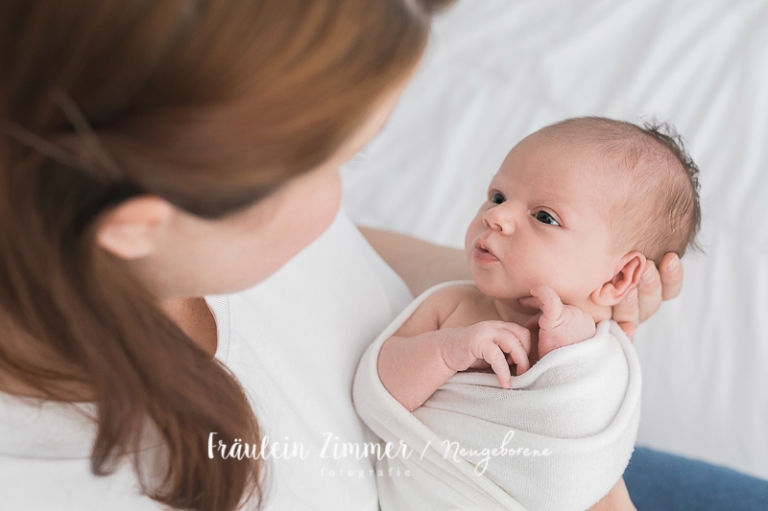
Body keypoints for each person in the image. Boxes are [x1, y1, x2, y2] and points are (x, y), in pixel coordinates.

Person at [4, 1, 757, 511]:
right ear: (140, 224)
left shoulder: (192, 230)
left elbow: (347, 256)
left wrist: (539, 308)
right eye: (339, 162)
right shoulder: (74, 479)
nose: (491, 219)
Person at [357, 117, 699, 510]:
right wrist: (448, 352)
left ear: (620, 276)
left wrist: (568, 360)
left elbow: (584, 459)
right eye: (498, 196)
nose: (495, 217)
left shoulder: (603, 357)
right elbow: (377, 391)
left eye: (544, 217)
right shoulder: (451, 307)